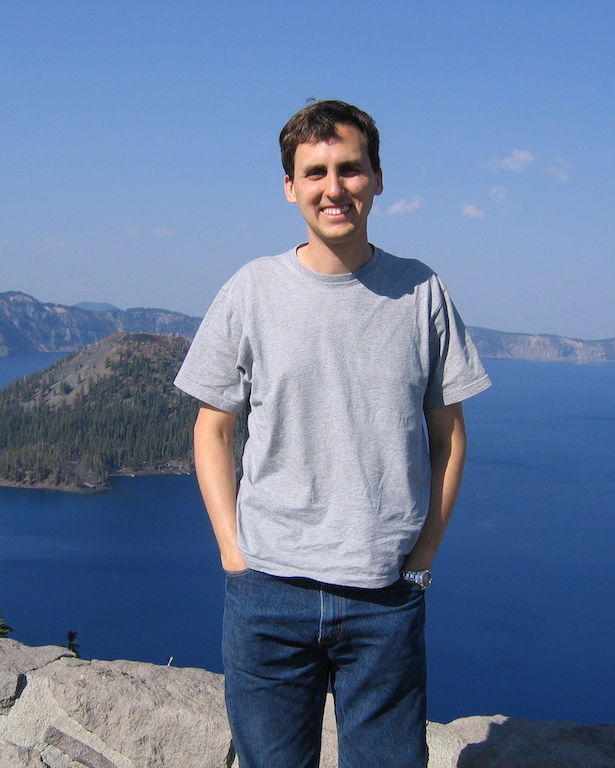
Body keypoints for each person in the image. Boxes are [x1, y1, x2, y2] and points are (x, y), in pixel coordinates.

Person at [174, 99, 490, 768]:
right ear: (289, 186)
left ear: (377, 178)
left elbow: (450, 437)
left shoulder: (421, 292)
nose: (334, 187)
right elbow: (212, 428)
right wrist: (234, 551)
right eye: (314, 172)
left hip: (384, 594)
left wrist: (424, 552)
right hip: (266, 590)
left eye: (350, 169)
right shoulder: (252, 290)